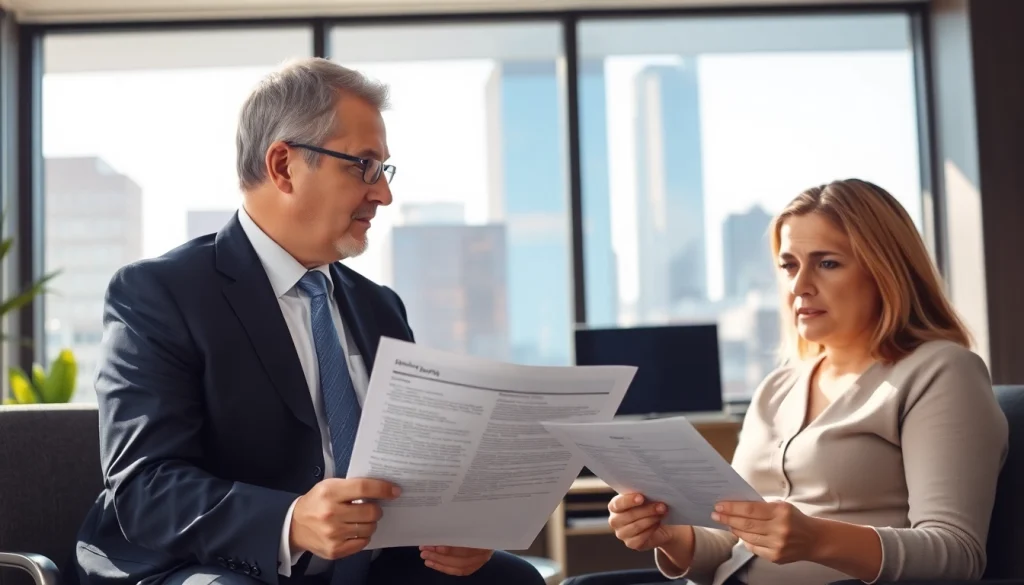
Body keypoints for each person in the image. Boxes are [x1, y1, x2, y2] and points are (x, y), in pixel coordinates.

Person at [74, 57, 546, 585]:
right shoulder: (160, 294)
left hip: (363, 562)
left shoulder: (379, 306)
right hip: (205, 566)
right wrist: (290, 521)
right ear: (283, 167)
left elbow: (412, 466)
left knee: (511, 579)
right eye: (362, 166)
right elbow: (147, 489)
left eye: (384, 169)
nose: (383, 194)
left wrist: (454, 528)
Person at [605, 179, 1009, 585]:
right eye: (789, 265)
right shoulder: (776, 389)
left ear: (886, 271)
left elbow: (956, 555)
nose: (799, 287)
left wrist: (818, 539)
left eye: (827, 263)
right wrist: (673, 538)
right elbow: (732, 541)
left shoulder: (941, 373)